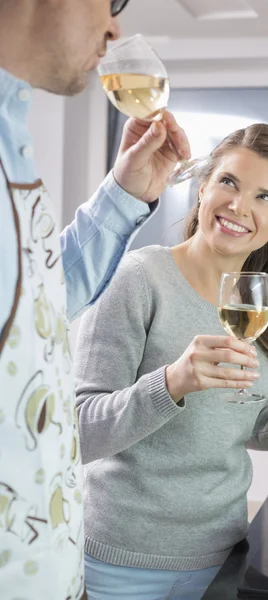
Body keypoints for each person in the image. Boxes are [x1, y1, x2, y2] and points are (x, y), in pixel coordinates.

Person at [74, 123, 268, 600]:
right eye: (229, 182)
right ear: (203, 188)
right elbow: (78, 431)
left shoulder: (257, 304)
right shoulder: (139, 278)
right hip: (125, 563)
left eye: (264, 197)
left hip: (224, 557)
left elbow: (241, 421)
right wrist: (172, 382)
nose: (240, 206)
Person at [0, 0, 190, 598]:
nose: (113, 28)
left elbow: (41, 307)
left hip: (52, 567)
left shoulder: (12, 136)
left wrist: (124, 194)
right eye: (105, 3)